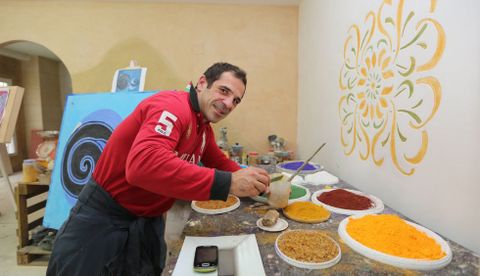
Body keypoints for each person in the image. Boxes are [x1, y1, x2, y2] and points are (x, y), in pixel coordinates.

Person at [47, 62, 270, 275]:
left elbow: (222, 164)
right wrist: (228, 183)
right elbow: (143, 165)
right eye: (224, 91)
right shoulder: (173, 107)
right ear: (202, 83)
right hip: (102, 220)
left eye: (236, 100)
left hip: (147, 221)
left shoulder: (203, 129)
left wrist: (258, 182)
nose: (229, 103)